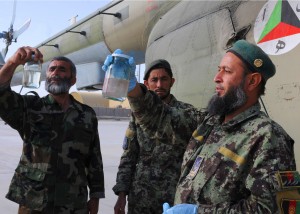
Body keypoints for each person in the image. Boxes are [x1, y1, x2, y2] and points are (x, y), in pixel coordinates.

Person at [104, 40, 296, 213]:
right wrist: (133, 88)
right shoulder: (210, 122)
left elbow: (267, 209)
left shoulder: (269, 137)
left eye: (227, 71)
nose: (217, 77)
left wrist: (198, 213)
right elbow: (162, 119)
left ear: (252, 81)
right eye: (219, 69)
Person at [0, 46, 105, 214]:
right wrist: (12, 63)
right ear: (46, 76)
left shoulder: (86, 115)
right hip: (34, 202)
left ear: (72, 80)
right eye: (51, 69)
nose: (55, 72)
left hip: (73, 203)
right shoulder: (30, 107)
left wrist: (96, 196)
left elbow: (94, 159)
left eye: (62, 69)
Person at [111, 59, 199, 214]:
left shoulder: (187, 114)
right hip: (141, 198)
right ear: (146, 83)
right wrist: (121, 194)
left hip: (174, 198)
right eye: (154, 80)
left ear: (172, 82)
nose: (159, 85)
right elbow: (129, 155)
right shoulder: (138, 116)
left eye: (164, 79)